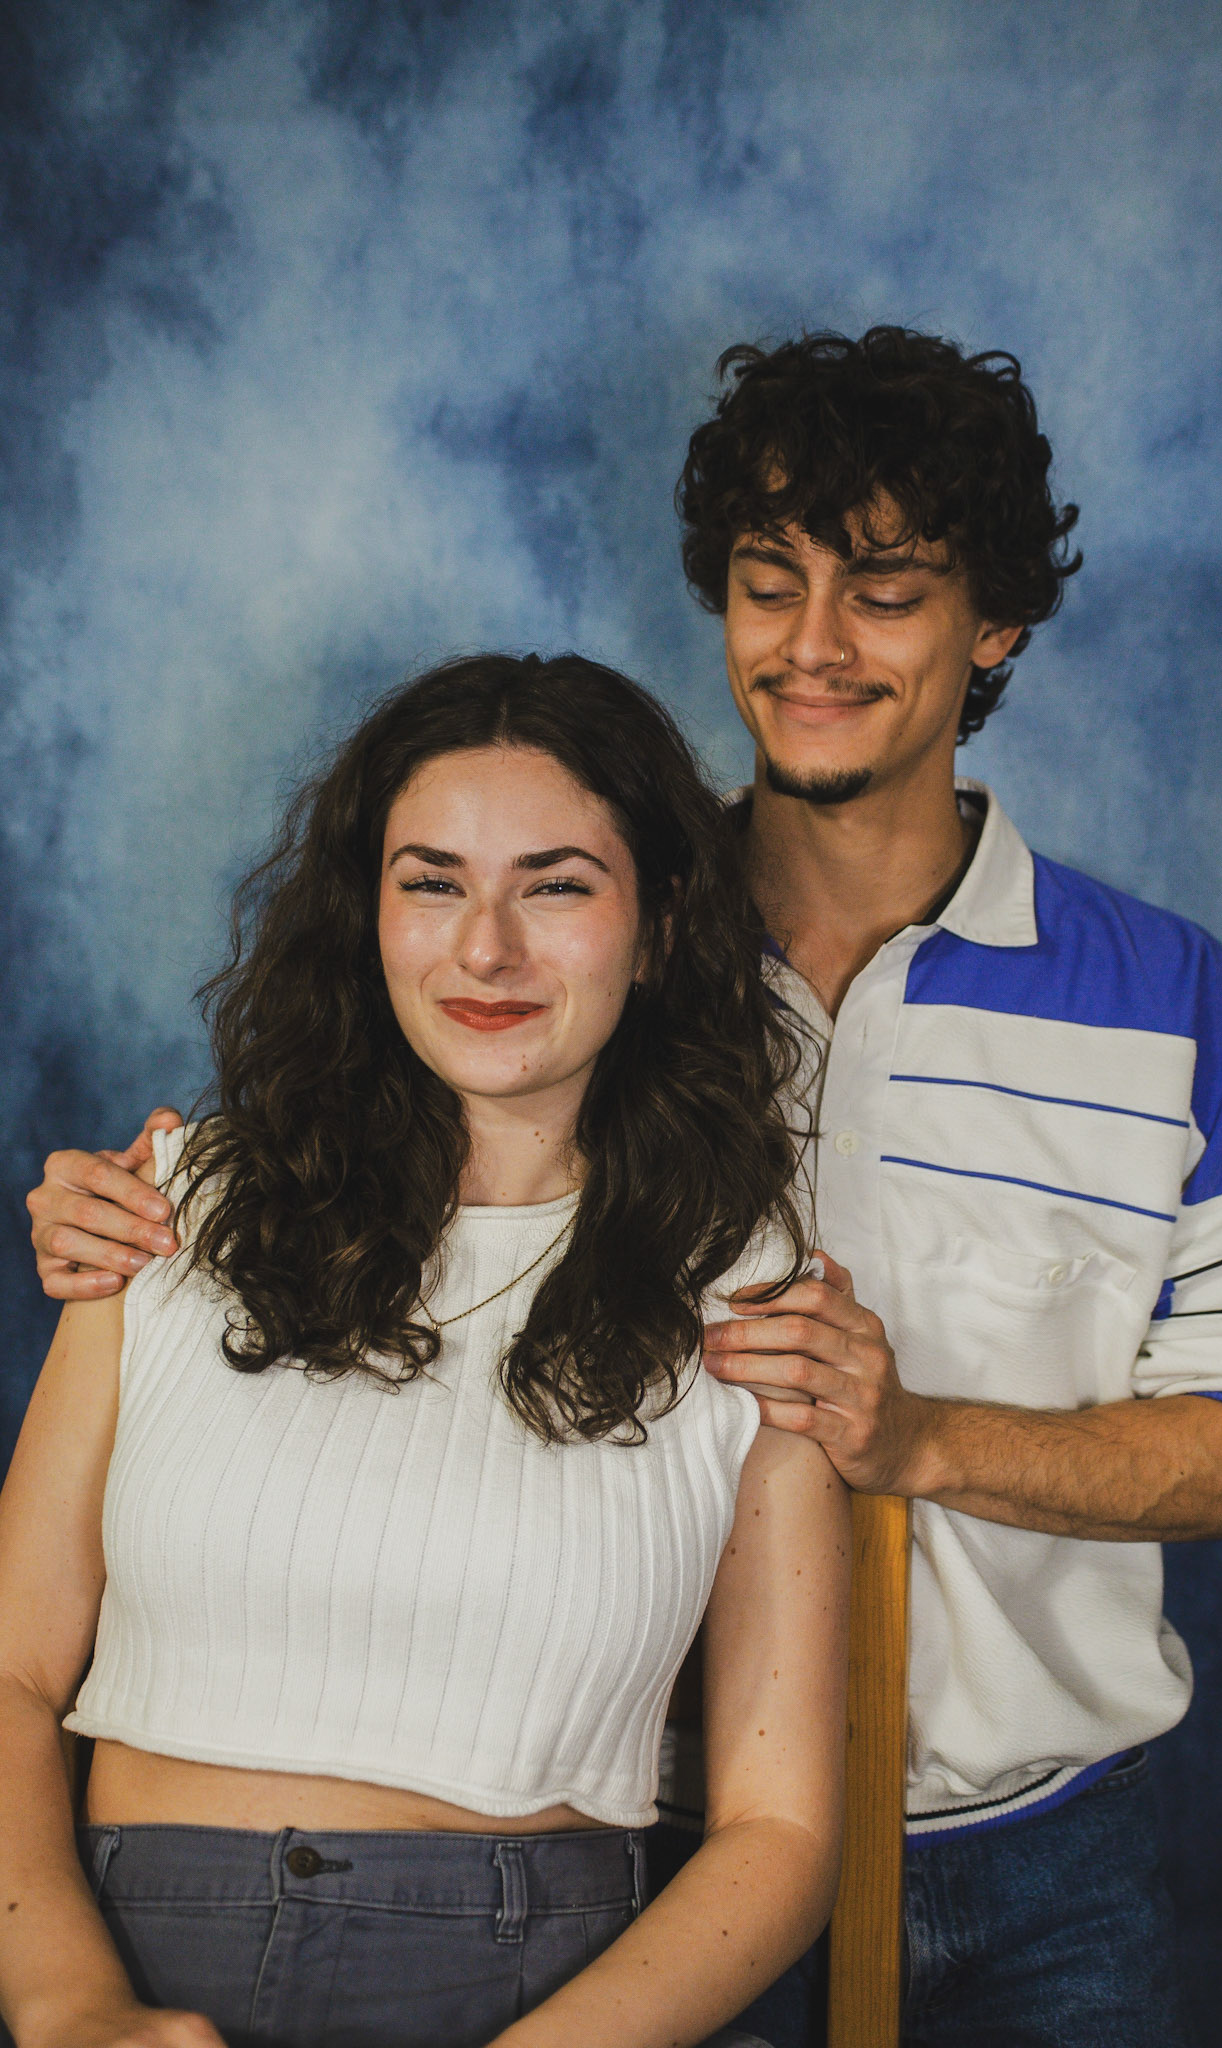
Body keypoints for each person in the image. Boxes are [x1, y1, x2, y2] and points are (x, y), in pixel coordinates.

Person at [26, 329, 1222, 2046]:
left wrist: (925, 1438)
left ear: (997, 625)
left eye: (887, 592)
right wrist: (154, 1214)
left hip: (1041, 1839)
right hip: (631, 1838)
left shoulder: (1169, 1004)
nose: (813, 645)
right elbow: (363, 1183)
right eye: (767, 584)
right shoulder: (586, 938)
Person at [1, 653, 849, 2048]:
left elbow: (782, 1831)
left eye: (556, 887)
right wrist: (69, 2005)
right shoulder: (169, 1208)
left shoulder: (746, 1287)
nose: (486, 949)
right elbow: (13, 1674)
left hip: (542, 1991)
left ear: (657, 928)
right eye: (433, 882)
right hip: (124, 1963)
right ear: (367, 915)